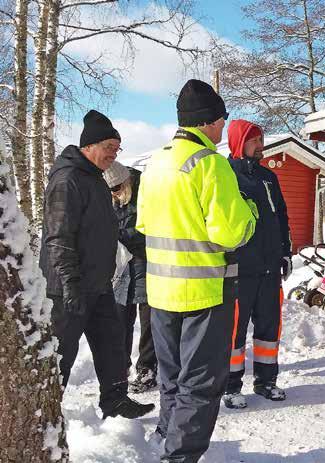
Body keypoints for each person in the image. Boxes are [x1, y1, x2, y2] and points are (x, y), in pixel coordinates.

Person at [136, 79, 257, 463]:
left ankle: (165, 437)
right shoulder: (210, 165)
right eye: (221, 121)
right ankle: (181, 455)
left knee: (172, 378)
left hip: (160, 292)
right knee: (201, 384)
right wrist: (251, 213)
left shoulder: (155, 164)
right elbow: (231, 232)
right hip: (204, 292)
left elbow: (142, 225)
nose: (223, 129)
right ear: (207, 122)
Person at [40, 110, 154, 420]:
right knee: (62, 352)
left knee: (112, 345)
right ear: (90, 145)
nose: (114, 155)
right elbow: (58, 237)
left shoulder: (95, 178)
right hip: (68, 287)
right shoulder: (67, 180)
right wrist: (69, 282)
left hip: (98, 283)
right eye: (109, 148)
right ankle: (46, 412)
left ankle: (115, 399)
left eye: (118, 149)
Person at [222, 119, 293, 408]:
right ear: (240, 143)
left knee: (269, 328)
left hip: (269, 268)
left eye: (261, 139)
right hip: (240, 268)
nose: (260, 145)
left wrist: (286, 252)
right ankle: (230, 386)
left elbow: (282, 217)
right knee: (234, 331)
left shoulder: (268, 178)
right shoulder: (225, 175)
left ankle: (266, 381)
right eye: (254, 140)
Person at [104, 160, 158, 394]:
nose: (115, 194)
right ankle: (119, 368)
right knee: (119, 321)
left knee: (149, 322)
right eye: (111, 191)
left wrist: (121, 235)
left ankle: (147, 369)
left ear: (127, 181)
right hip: (121, 269)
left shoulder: (147, 190)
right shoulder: (109, 196)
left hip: (147, 263)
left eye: (117, 189)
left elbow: (152, 228)